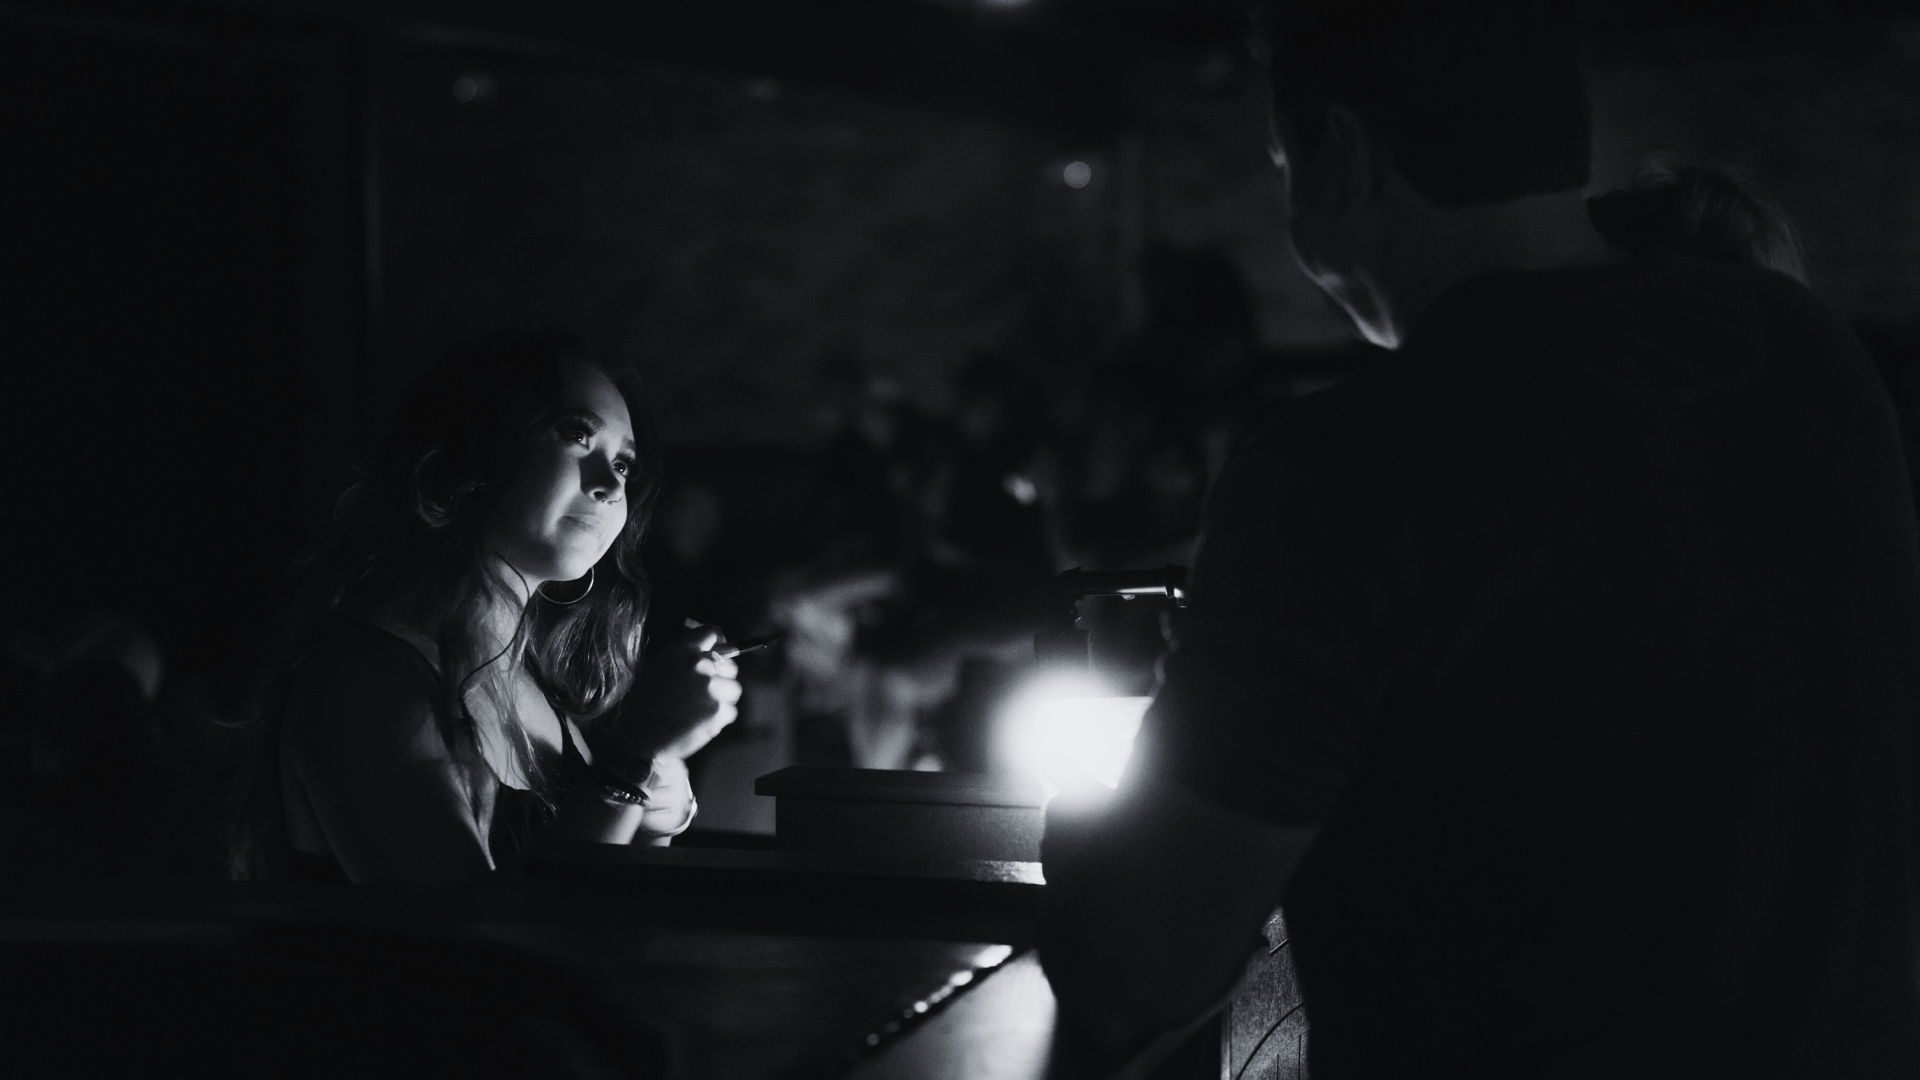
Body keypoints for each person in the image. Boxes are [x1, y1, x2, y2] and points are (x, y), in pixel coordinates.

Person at [1038, 3, 1920, 1078]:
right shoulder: (1802, 349)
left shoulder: (1344, 466)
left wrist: (1095, 818)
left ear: (1345, 160)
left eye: (1283, 160)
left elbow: (1138, 967)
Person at [229, 331, 740, 883]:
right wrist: (627, 765)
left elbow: (600, 908)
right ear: (476, 445)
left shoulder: (530, 682)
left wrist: (653, 809)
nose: (609, 486)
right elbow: (473, 948)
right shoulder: (366, 682)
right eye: (575, 435)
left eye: (623, 465)